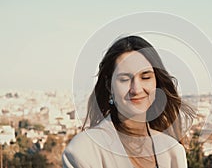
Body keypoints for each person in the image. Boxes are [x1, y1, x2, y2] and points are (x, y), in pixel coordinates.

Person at [62, 35, 196, 168]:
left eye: (145, 77)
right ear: (109, 86)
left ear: (157, 83)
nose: (136, 89)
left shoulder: (173, 152)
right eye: (124, 79)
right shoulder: (84, 151)